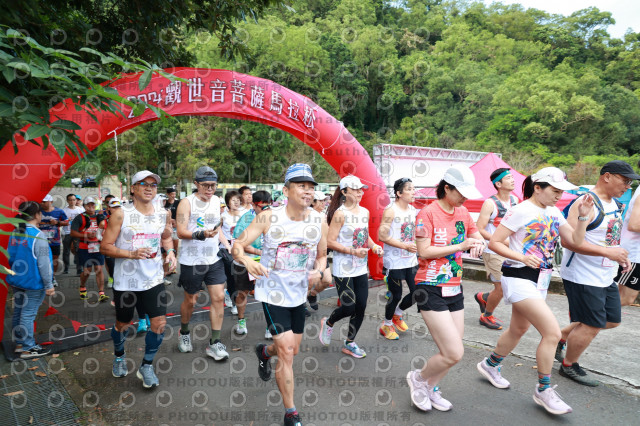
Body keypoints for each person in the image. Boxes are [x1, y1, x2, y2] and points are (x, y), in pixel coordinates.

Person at [476, 167, 592, 416]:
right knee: (552, 333)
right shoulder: (521, 210)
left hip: (541, 279)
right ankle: (543, 389)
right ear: (537, 187)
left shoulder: (553, 211)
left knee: (518, 329)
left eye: (561, 192)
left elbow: (575, 241)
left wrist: (583, 217)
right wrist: (521, 257)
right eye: (555, 190)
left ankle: (490, 364)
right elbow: (494, 242)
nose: (558, 196)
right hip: (519, 276)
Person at [233, 163, 326, 426]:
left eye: (310, 187)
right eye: (301, 186)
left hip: (298, 294)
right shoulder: (269, 217)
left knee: (291, 350)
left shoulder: (319, 220)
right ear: (286, 191)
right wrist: (247, 261)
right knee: (286, 351)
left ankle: (265, 352)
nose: (307, 191)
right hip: (273, 293)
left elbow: (322, 256)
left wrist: (319, 271)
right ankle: (291, 412)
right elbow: (237, 245)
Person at [405, 165, 485, 413]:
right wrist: (461, 246)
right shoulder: (427, 214)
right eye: (461, 192)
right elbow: (424, 251)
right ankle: (418, 378)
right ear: (447, 188)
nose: (465, 198)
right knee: (454, 352)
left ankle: (430, 387)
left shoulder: (463, 212)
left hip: (454, 287)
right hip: (429, 286)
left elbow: (476, 235)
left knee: (452, 350)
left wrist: (479, 243)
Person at [556, 161, 637, 386]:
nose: (627, 187)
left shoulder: (615, 203)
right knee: (592, 324)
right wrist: (608, 252)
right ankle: (569, 365)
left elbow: (610, 238)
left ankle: (561, 336)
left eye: (630, 183)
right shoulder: (585, 202)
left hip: (605, 274)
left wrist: (621, 256)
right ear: (607, 176)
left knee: (611, 320)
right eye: (625, 181)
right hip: (582, 274)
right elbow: (568, 241)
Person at [101, 170, 177, 388]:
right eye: (143, 184)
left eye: (153, 185)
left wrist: (170, 252)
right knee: (123, 324)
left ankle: (146, 366)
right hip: (127, 281)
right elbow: (105, 247)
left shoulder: (162, 213)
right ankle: (119, 356)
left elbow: (166, 237)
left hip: (154, 279)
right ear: (133, 188)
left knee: (159, 324)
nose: (149, 188)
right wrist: (131, 254)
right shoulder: (120, 214)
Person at [319, 175, 383, 359]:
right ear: (345, 192)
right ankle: (329, 322)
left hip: (360, 267)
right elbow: (330, 242)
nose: (360, 192)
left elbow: (364, 235)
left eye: (361, 189)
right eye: (355, 189)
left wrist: (374, 246)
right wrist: (353, 251)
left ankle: (350, 343)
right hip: (343, 268)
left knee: (361, 306)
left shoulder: (365, 212)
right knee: (349, 306)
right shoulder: (340, 214)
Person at [175, 166, 229, 361]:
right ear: (196, 184)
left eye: (213, 185)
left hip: (213, 259)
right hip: (192, 261)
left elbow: (217, 227)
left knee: (219, 297)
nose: (210, 189)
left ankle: (214, 342)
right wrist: (201, 234)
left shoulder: (216, 201)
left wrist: (228, 245)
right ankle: (184, 332)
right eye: (206, 185)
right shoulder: (186, 203)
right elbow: (180, 231)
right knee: (191, 300)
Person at [7, 201, 55, 358]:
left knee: (19, 311)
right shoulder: (38, 235)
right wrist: (49, 284)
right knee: (28, 314)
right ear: (36, 215)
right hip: (34, 282)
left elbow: (10, 256)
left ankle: (20, 343)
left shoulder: (15, 232)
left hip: (17, 279)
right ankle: (28, 347)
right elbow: (44, 264)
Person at [474, 168, 519, 330]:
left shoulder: (515, 200)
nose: (513, 180)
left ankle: (485, 297)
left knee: (506, 286)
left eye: (512, 177)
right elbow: (479, 228)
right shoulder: (490, 203)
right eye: (508, 178)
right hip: (493, 251)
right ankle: (486, 316)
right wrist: (498, 241)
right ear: (498, 184)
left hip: (510, 251)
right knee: (502, 287)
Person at [378, 177, 418, 340]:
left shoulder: (413, 210)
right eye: (409, 189)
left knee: (418, 292)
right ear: (399, 193)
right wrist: (404, 246)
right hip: (394, 261)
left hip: (411, 259)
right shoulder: (391, 210)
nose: (413, 192)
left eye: (413, 189)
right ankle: (386, 324)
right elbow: (382, 235)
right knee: (396, 294)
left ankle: (398, 314)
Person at [231, 190, 272, 337]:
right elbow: (239, 244)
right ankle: (241, 321)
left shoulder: (275, 217)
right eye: (263, 207)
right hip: (245, 262)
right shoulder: (246, 218)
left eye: (269, 206)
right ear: (254, 205)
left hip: (266, 264)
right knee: (242, 293)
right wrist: (260, 252)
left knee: (269, 295)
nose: (266, 210)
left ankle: (271, 326)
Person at [70, 196, 108, 302]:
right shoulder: (79, 217)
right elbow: (73, 233)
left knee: (99, 269)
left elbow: (107, 229)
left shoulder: (100, 217)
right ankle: (82, 286)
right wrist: (86, 235)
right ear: (84, 206)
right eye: (88, 205)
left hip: (98, 246)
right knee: (87, 271)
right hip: (84, 247)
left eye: (92, 204)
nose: (91, 206)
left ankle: (101, 293)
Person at [616, 161, 640, 306]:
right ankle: (587, 317)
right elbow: (634, 224)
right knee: (625, 298)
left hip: (634, 252)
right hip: (634, 253)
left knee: (621, 297)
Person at [220, 190, 243, 315]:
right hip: (227, 249)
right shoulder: (223, 216)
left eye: (238, 200)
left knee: (241, 276)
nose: (236, 202)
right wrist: (226, 245)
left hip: (242, 248)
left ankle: (230, 293)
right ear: (228, 202)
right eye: (233, 200)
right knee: (232, 276)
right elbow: (218, 232)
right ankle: (234, 303)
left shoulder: (244, 215)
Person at [40, 194, 69, 282]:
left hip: (54, 240)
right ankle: (42, 277)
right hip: (40, 240)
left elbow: (66, 222)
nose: (42, 203)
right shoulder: (38, 211)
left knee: (54, 259)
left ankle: (52, 277)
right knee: (41, 258)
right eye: (41, 202)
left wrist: (57, 222)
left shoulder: (59, 211)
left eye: (45, 202)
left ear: (51, 202)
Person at [62, 193, 84, 275]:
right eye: (70, 200)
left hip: (77, 233)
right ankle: (66, 268)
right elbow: (61, 221)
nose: (72, 201)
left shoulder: (80, 210)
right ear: (67, 201)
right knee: (66, 251)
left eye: (74, 200)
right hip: (67, 233)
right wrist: (66, 221)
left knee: (78, 250)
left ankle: (79, 269)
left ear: (76, 200)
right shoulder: (64, 210)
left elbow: (85, 221)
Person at [164, 187, 180, 261]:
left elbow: (181, 214)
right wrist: (169, 221)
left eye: (174, 194)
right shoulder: (165, 203)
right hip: (166, 227)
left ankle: (174, 261)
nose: (173, 196)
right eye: (172, 194)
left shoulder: (178, 203)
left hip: (175, 227)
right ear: (168, 194)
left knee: (175, 246)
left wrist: (177, 222)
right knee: (167, 247)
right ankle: (167, 262)